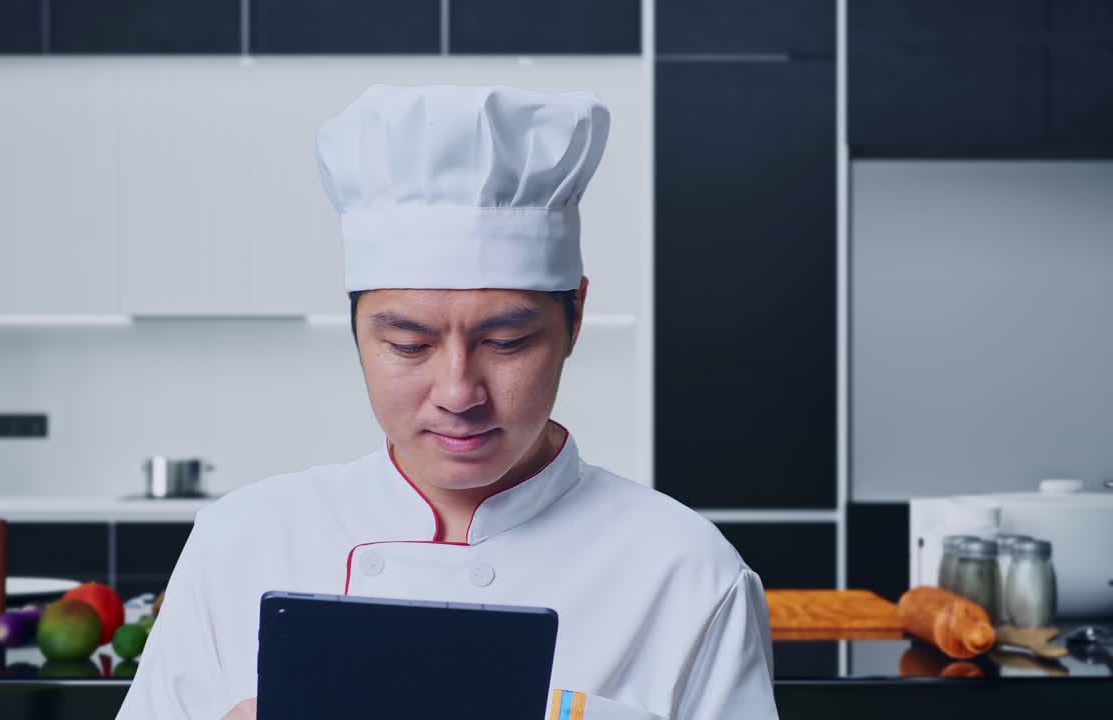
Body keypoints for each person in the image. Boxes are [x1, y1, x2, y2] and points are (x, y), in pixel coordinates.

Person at [118, 83, 777, 720]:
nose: (459, 392)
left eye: (508, 341)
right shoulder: (243, 541)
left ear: (575, 315)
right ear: (355, 331)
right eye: (409, 345)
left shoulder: (685, 569)